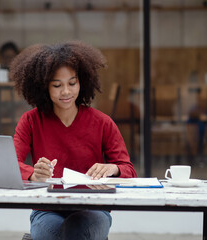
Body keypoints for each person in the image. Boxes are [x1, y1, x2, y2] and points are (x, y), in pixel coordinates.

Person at [9, 41, 137, 240]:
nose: (66, 92)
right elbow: (9, 165)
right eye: (57, 85)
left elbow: (128, 170)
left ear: (82, 82)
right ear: (44, 87)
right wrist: (33, 174)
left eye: (72, 83)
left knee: (75, 231)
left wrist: (113, 169)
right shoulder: (31, 121)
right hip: (47, 209)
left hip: (94, 209)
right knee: (59, 233)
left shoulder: (103, 122)